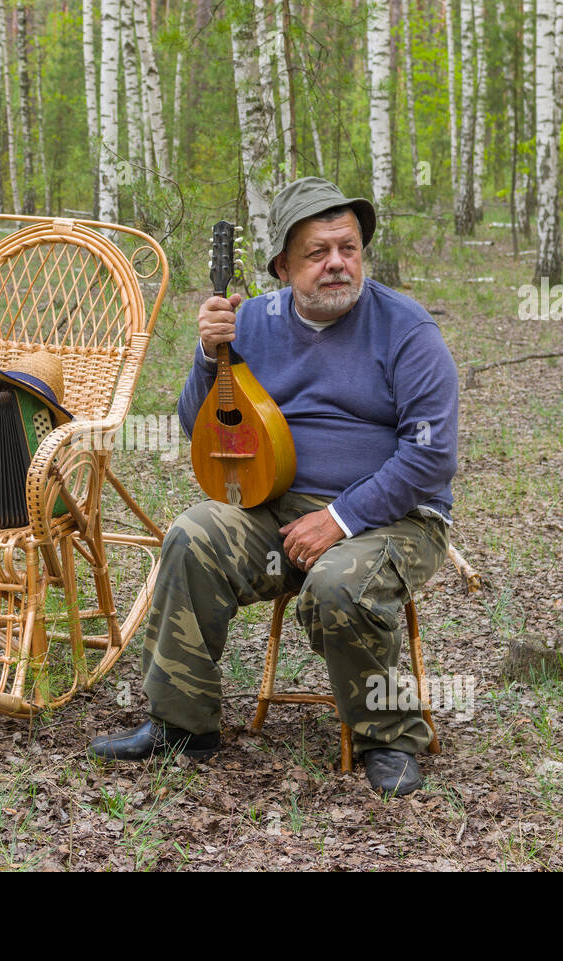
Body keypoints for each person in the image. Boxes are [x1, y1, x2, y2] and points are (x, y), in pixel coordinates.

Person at [88, 177, 459, 796]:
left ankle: (388, 737)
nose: (337, 263)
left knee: (341, 583)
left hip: (394, 518)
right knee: (192, 536)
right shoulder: (253, 320)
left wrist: (340, 519)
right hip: (273, 508)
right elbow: (195, 424)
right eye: (318, 252)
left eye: (349, 247)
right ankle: (182, 725)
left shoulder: (406, 329)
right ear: (283, 266)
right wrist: (209, 357)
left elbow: (431, 456)